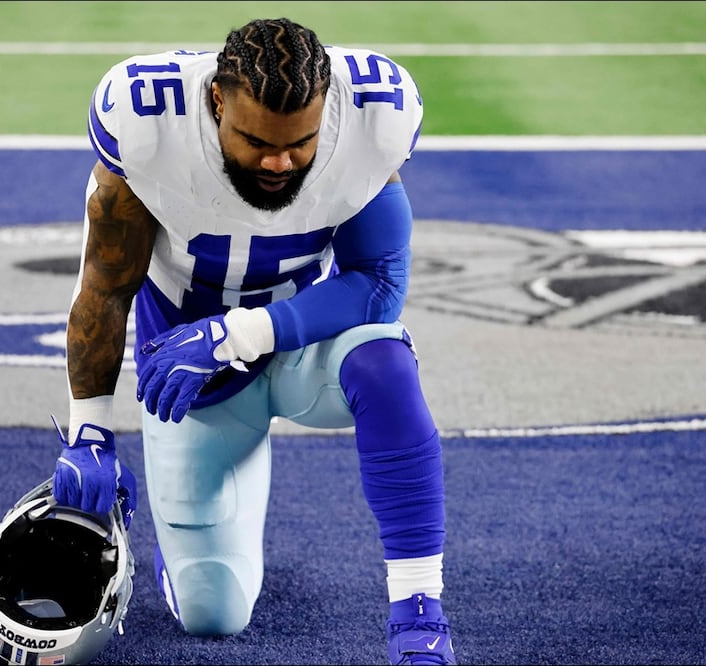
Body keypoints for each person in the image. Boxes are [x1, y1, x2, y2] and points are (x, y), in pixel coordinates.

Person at [52, 17, 457, 665]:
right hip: (190, 381)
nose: (279, 161)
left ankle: (418, 613)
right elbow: (104, 287)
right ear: (216, 101)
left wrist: (234, 333)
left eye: (300, 143)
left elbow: (377, 283)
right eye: (256, 140)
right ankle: (197, 531)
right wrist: (89, 431)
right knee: (213, 617)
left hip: (298, 347)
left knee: (384, 362)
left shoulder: (369, 117)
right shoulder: (146, 121)